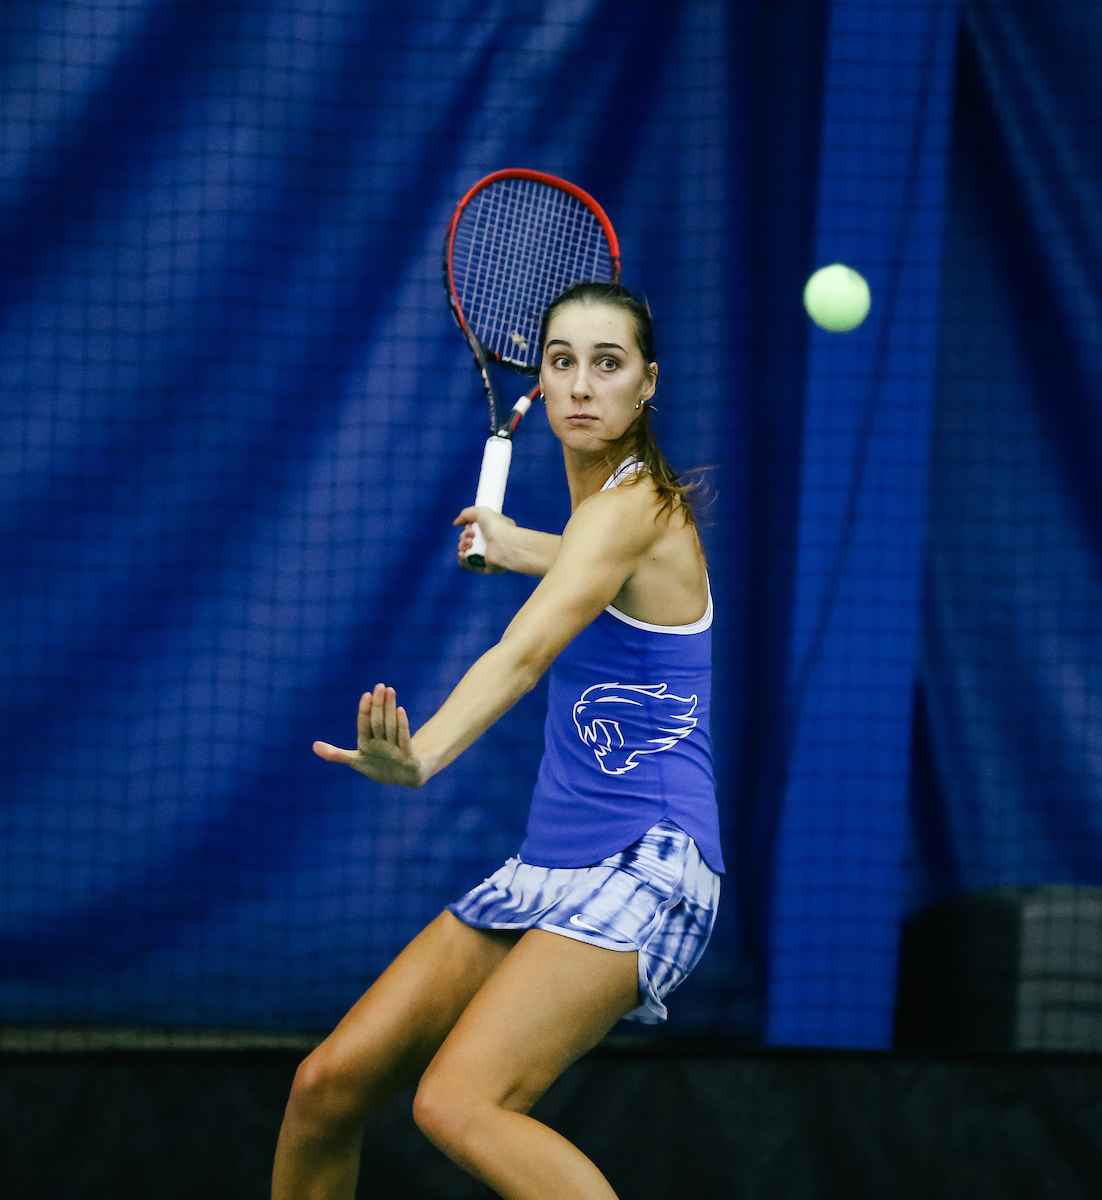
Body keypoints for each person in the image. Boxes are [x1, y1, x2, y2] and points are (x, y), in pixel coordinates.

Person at [272, 282, 723, 1200]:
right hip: (549, 863)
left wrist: (422, 757)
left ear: (648, 385)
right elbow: (587, 566)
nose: (583, 385)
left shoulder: (636, 509)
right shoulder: (599, 530)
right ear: (541, 384)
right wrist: (517, 545)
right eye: (563, 362)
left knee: (459, 1102)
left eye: (609, 363)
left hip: (649, 861)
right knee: (327, 1087)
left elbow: (523, 654)